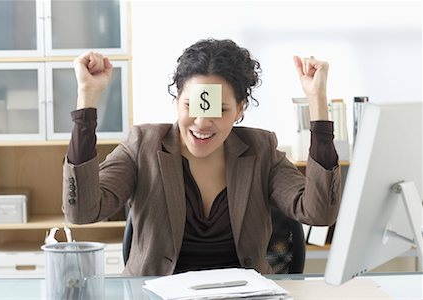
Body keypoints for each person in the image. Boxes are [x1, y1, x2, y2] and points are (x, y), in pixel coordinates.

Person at [63, 38, 341, 276]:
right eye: (190, 105)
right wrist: (87, 96)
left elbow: (319, 212)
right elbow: (83, 211)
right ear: (176, 101)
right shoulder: (143, 146)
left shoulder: (261, 150)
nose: (201, 122)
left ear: (240, 110)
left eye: (219, 110)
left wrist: (317, 100)